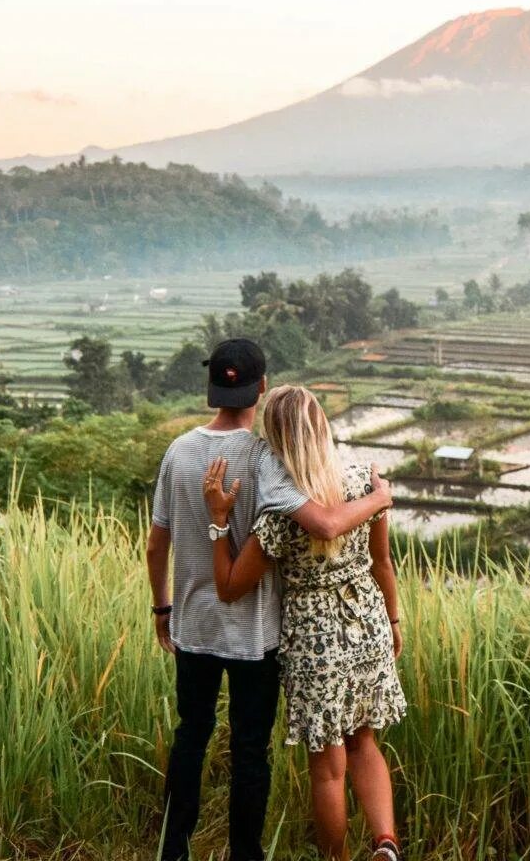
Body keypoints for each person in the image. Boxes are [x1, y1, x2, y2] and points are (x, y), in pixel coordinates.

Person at [145, 340, 393, 861]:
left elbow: (156, 542)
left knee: (191, 735)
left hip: (194, 625)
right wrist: (376, 498)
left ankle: (174, 850)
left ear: (211, 386)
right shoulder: (268, 458)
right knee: (250, 749)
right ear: (260, 386)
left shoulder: (178, 452)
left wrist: (162, 608)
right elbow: (319, 518)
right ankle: (246, 854)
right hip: (258, 633)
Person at [204, 383, 407, 861]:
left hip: (314, 634)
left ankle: (336, 858)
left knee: (328, 765)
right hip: (368, 622)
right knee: (364, 740)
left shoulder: (280, 512)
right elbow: (383, 564)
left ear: (274, 437)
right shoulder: (364, 483)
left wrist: (218, 523)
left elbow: (231, 586)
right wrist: (394, 620)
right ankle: (386, 844)